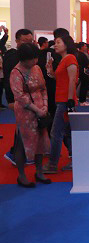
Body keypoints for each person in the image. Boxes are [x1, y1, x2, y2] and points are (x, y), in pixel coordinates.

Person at [10, 43, 51, 187]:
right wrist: (37, 109)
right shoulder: (16, 72)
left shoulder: (37, 68)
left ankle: (39, 172)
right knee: (23, 142)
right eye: (32, 59)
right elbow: (19, 96)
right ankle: (22, 176)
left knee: (41, 141)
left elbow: (43, 88)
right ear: (23, 59)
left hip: (40, 108)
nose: (35, 61)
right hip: (25, 112)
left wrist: (45, 105)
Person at [43, 34, 78, 173]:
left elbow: (72, 80)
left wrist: (69, 101)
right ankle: (75, 160)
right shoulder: (64, 59)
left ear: (66, 44)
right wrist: (50, 70)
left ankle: (52, 164)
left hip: (65, 101)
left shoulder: (70, 58)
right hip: (63, 100)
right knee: (67, 132)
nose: (55, 45)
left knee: (56, 132)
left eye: (58, 42)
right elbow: (61, 79)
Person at [4, 29, 35, 165]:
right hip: (17, 97)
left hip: (25, 97)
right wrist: (12, 100)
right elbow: (10, 81)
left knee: (24, 125)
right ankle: (15, 154)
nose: (28, 44)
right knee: (23, 125)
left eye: (30, 41)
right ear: (17, 41)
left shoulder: (27, 56)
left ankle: (19, 154)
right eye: (24, 41)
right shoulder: (13, 57)